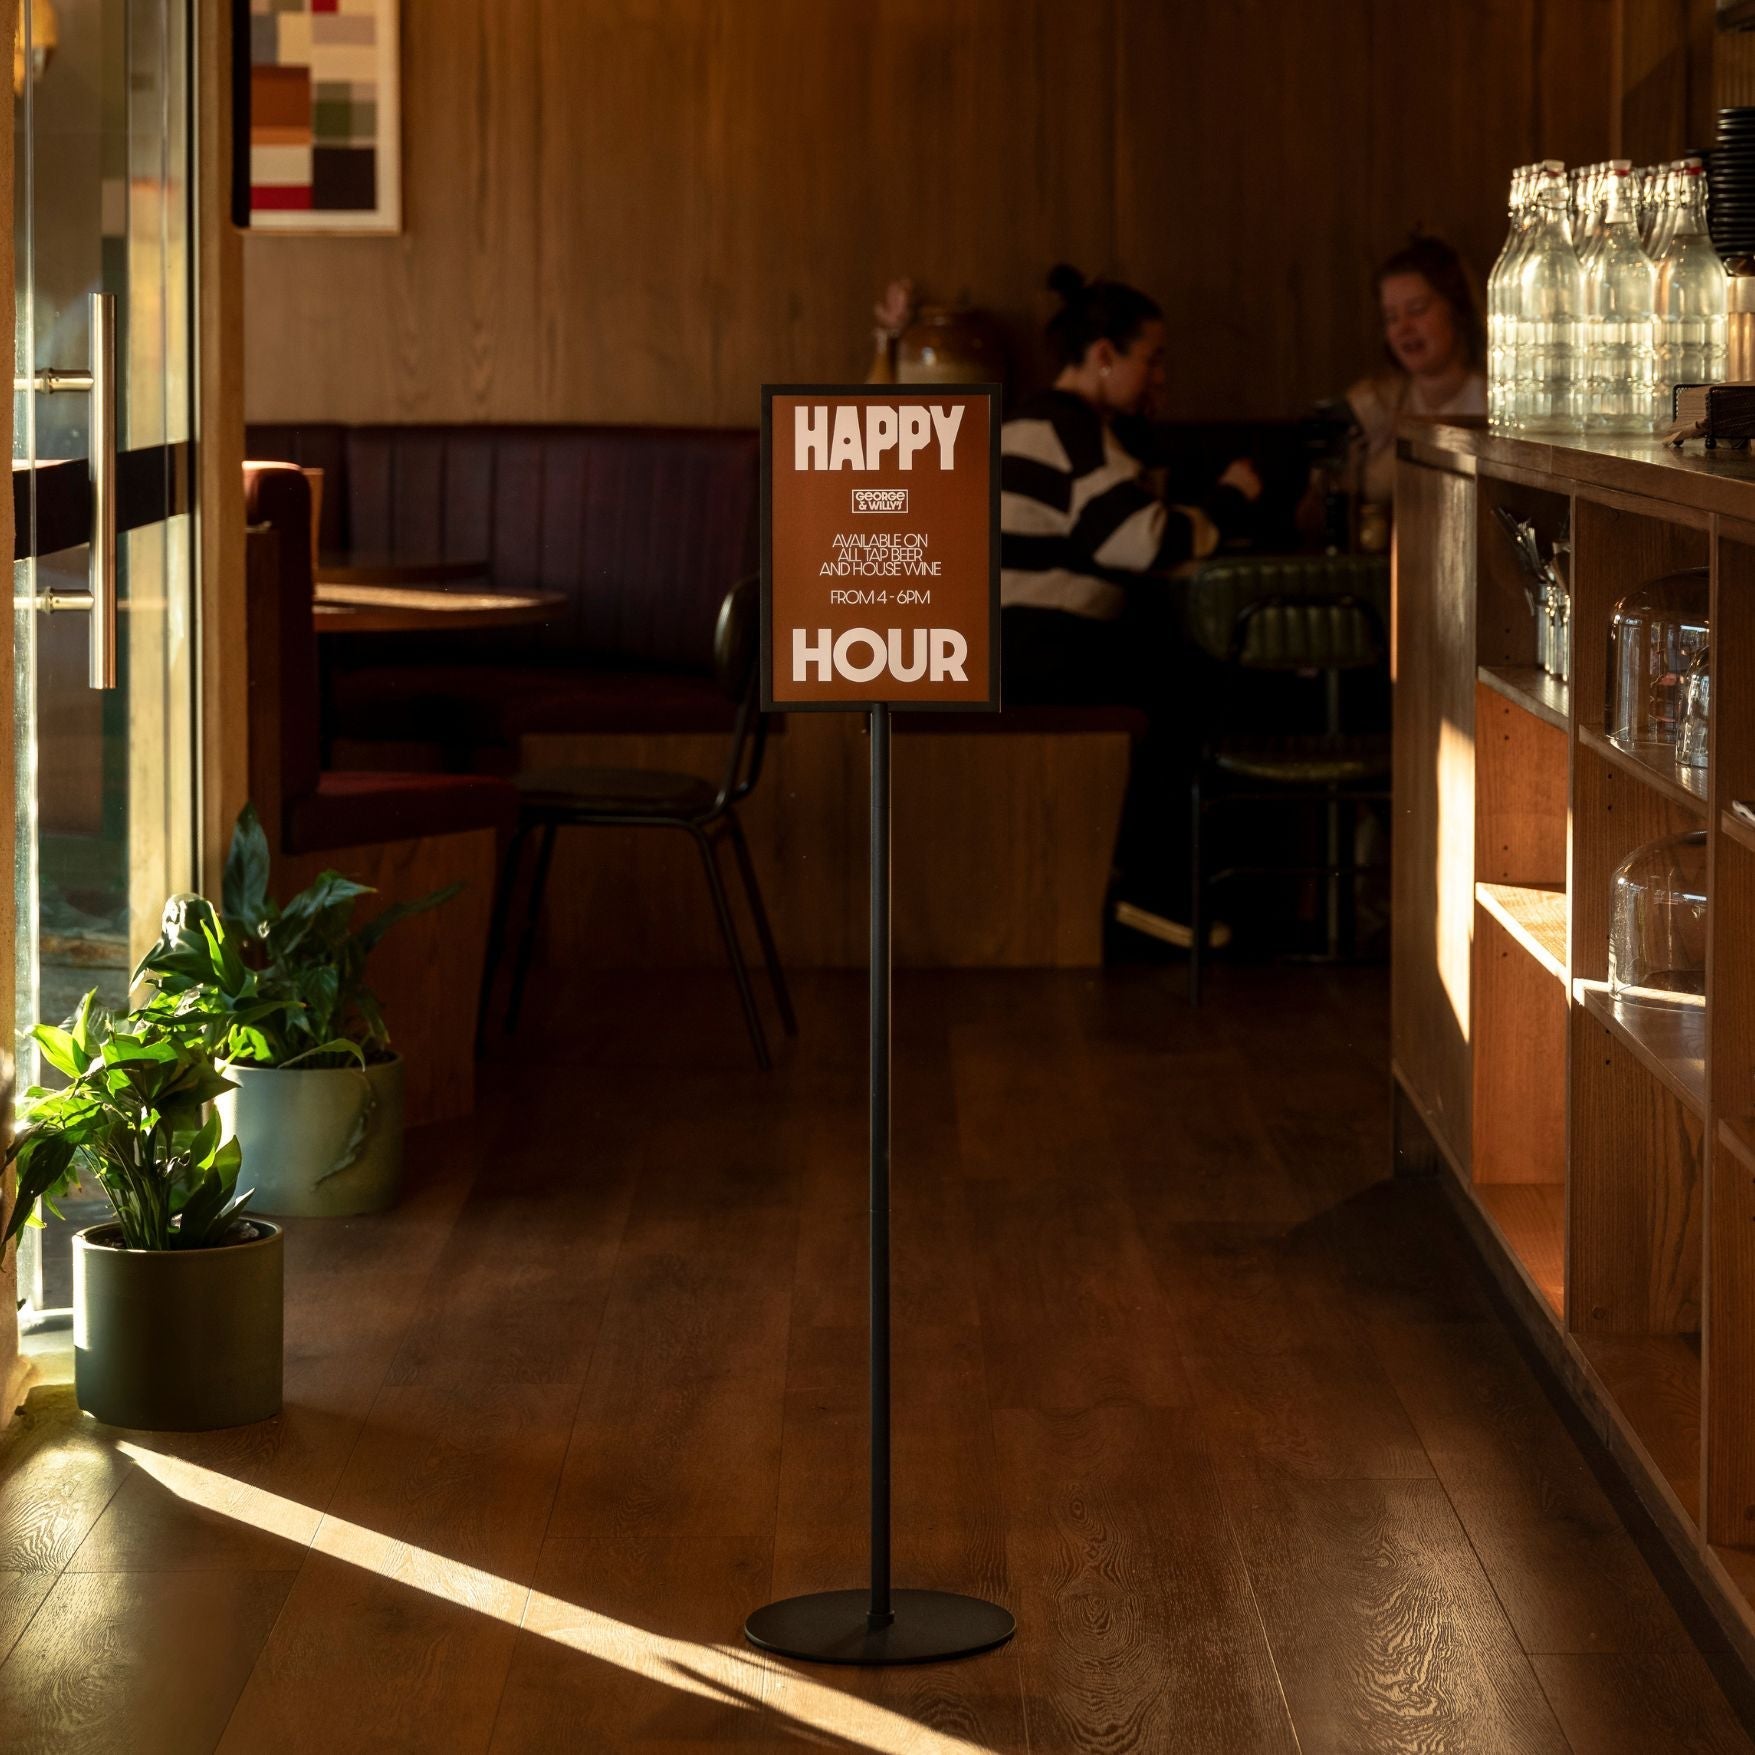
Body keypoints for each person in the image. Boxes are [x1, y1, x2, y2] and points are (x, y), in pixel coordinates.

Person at [1001, 264, 1261, 951]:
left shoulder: (1053, 424)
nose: (1160, 379)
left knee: (1178, 670)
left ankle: (1145, 886)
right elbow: (1142, 541)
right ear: (1104, 355)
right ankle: (1153, 896)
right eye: (1152, 359)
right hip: (1034, 642)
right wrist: (1231, 498)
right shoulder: (1065, 429)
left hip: (1021, 641)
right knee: (1192, 683)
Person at [1348, 235, 1486, 505]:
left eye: (1417, 309)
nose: (1403, 328)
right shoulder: (1370, 403)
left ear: (1456, 310)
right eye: (1391, 317)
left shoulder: (1495, 401)